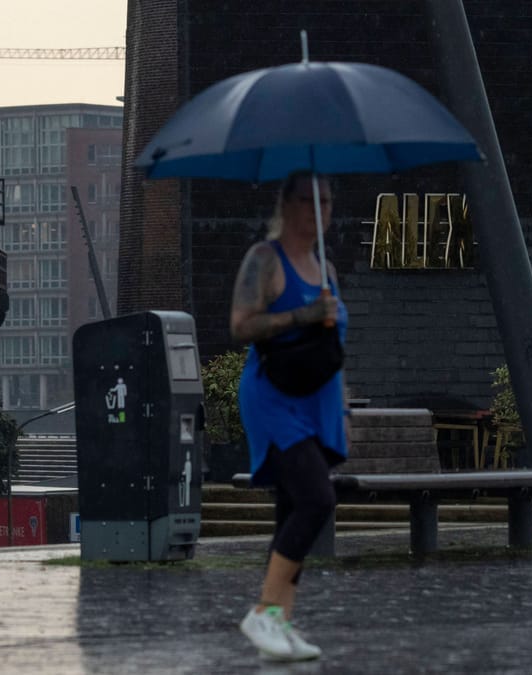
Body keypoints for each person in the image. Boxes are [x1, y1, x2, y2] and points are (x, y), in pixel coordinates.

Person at [230, 171, 350, 662]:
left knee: (292, 508)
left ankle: (279, 617)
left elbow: (333, 343)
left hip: (317, 400)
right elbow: (241, 325)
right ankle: (261, 614)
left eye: (325, 201)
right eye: (307, 200)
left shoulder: (327, 269)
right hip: (274, 397)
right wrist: (301, 315)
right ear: (287, 203)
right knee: (317, 501)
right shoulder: (266, 259)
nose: (317, 210)